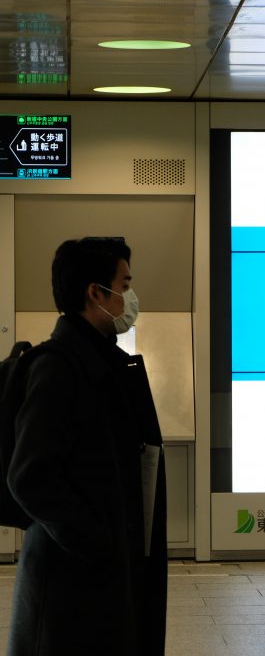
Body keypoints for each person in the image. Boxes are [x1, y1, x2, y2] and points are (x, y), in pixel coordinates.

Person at [6, 237, 167, 655]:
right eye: (125, 283)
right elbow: (30, 477)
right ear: (96, 293)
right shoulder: (58, 367)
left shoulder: (100, 362)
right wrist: (98, 543)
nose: (131, 296)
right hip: (69, 579)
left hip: (94, 575)